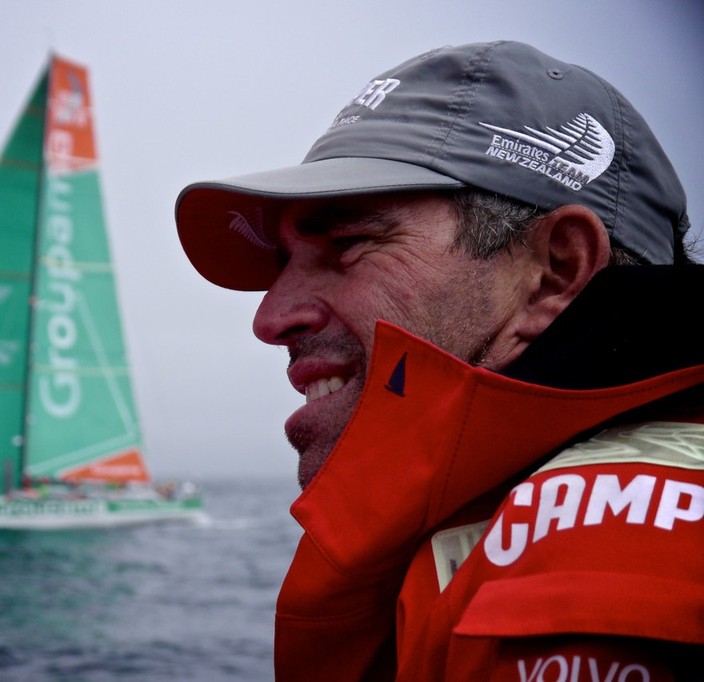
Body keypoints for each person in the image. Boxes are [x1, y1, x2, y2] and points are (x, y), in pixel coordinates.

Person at [175, 41, 704, 680]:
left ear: (554, 271)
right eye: (284, 262)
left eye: (348, 244)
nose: (270, 318)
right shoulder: (478, 519)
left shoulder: (594, 569)